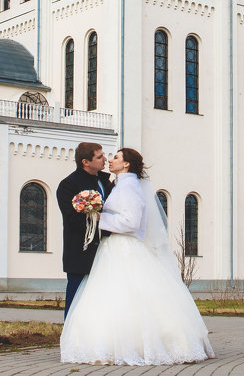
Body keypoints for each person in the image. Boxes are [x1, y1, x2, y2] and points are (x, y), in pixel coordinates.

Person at [61, 147, 214, 365]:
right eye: (104, 156)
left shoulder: (129, 187)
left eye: (115, 157)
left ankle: (132, 344)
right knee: (117, 297)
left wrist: (99, 220)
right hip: (113, 248)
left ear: (126, 164)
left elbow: (131, 222)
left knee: (130, 296)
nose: (109, 160)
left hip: (123, 248)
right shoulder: (119, 184)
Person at [56, 142, 113, 318]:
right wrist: (106, 225)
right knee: (76, 302)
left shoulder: (105, 181)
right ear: (85, 162)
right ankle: (70, 341)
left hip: (106, 252)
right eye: (99, 156)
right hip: (80, 253)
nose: (105, 159)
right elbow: (73, 219)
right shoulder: (68, 185)